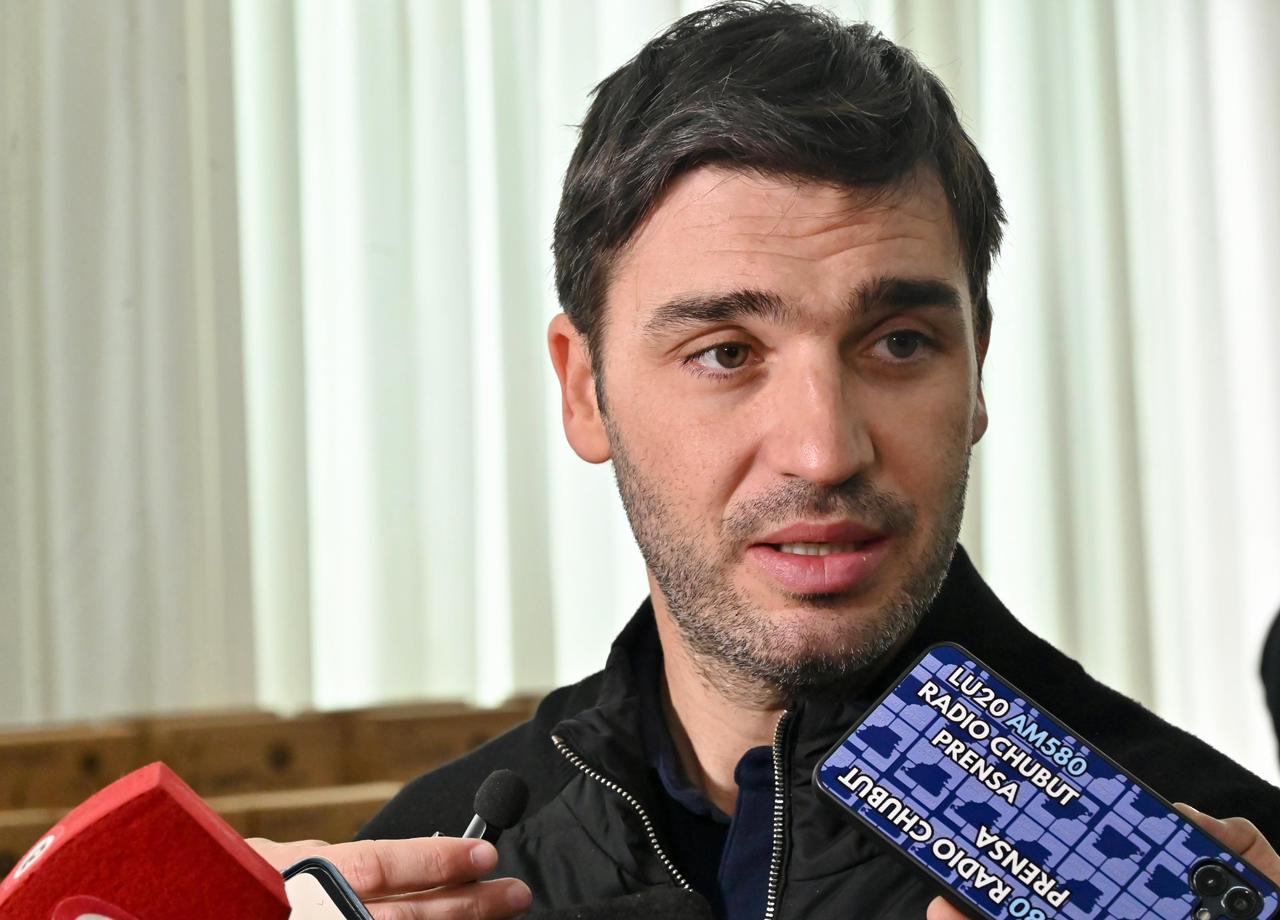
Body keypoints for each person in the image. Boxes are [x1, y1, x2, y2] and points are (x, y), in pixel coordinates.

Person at [249, 2, 1280, 917]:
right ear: (584, 389)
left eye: (898, 344)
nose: (823, 452)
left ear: (976, 373)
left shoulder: (1217, 865)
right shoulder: (411, 871)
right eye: (726, 353)